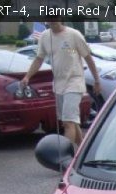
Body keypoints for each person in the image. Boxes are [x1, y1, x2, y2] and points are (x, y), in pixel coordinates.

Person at [21, 18, 101, 148]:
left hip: (74, 82)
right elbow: (39, 59)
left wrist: (97, 80)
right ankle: (83, 150)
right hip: (58, 84)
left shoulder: (74, 35)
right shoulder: (45, 37)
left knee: (68, 122)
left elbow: (88, 57)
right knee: (72, 122)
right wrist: (27, 77)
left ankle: (64, 159)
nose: (52, 22)